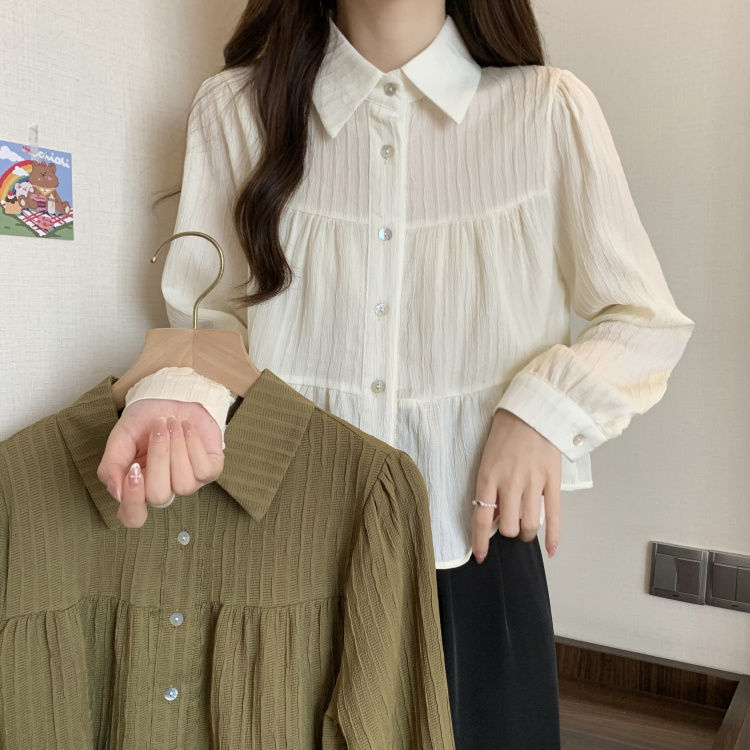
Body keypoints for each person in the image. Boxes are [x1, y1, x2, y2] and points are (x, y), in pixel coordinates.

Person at [97, 1, 695, 747]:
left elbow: (642, 320)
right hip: (284, 560)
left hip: (476, 555)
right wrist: (179, 398)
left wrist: (541, 412)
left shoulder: (547, 114)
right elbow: (208, 325)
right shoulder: (234, 111)